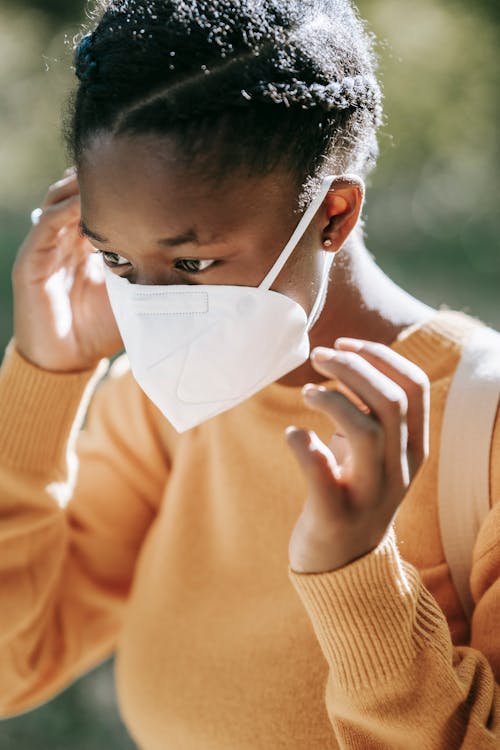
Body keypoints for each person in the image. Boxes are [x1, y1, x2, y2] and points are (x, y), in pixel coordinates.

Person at [0, 0, 498, 748]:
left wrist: (356, 572)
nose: (151, 305)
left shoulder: (481, 429)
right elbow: (14, 665)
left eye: (192, 263)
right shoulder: (155, 408)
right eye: (116, 259)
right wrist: (45, 377)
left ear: (333, 214)